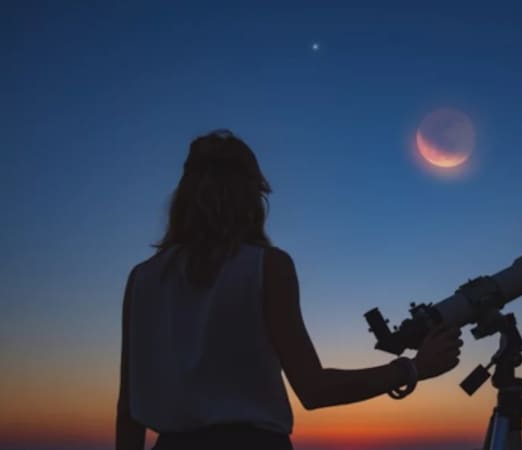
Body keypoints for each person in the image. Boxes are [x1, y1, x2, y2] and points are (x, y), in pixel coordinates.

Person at [115, 130, 464, 450]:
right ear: (252, 196)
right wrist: (416, 368)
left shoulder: (142, 278)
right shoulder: (268, 266)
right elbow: (314, 389)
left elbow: (129, 406)